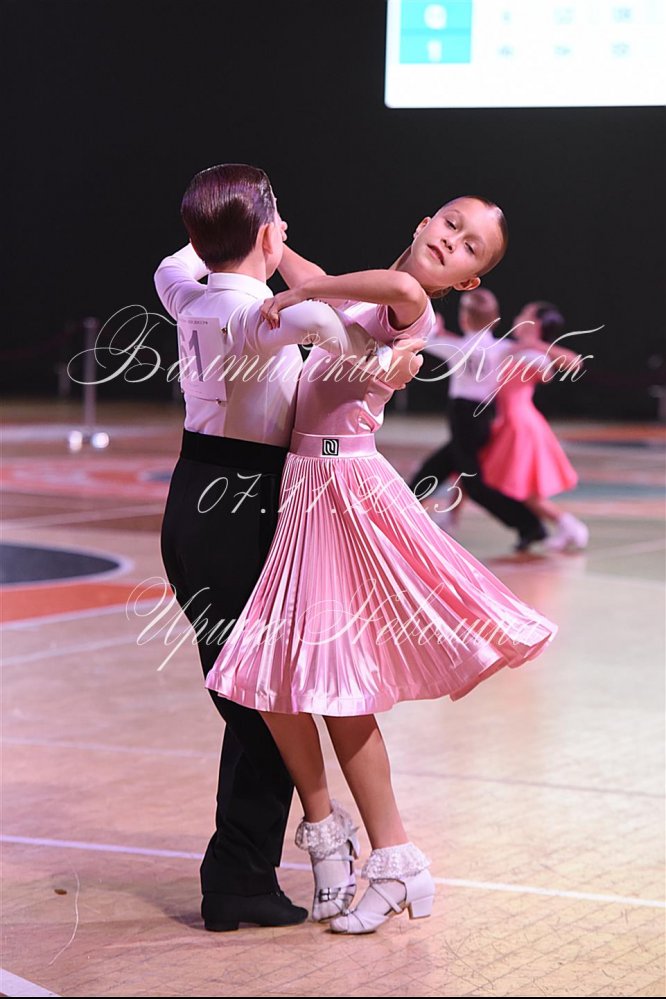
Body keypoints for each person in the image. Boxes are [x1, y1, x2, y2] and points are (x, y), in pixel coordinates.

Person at [204, 196, 559, 934]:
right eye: (451, 224)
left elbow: (378, 286)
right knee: (273, 678)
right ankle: (327, 830)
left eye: (471, 248)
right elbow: (317, 275)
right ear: (423, 221)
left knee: (338, 685)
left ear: (466, 282)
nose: (453, 241)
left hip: (345, 493)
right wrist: (273, 238)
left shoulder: (408, 307)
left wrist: (299, 294)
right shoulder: (362, 300)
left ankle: (395, 857)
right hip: (307, 489)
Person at [155, 163, 424, 932]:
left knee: (253, 690)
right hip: (246, 504)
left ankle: (250, 870)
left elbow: (173, 260)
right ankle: (261, 865)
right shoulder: (267, 315)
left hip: (190, 502)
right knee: (264, 695)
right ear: (271, 236)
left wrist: (224, 224)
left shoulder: (185, 291)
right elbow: (339, 340)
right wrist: (392, 367)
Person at [409, 288, 549, 551]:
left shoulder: (459, 348)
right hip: (482, 420)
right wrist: (531, 347)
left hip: (464, 421)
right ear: (495, 319)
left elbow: (425, 340)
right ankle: (404, 510)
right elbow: (543, 364)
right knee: (436, 468)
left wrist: (432, 328)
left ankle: (530, 525)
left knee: (474, 485)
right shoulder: (502, 349)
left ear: (464, 318)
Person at [478, 301, 589, 550]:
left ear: (535, 323)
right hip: (509, 423)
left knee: (520, 488)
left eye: (524, 314)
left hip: (521, 426)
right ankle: (565, 526)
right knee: (476, 472)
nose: (517, 317)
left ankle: (569, 525)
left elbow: (571, 364)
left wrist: (534, 345)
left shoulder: (533, 354)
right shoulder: (512, 348)